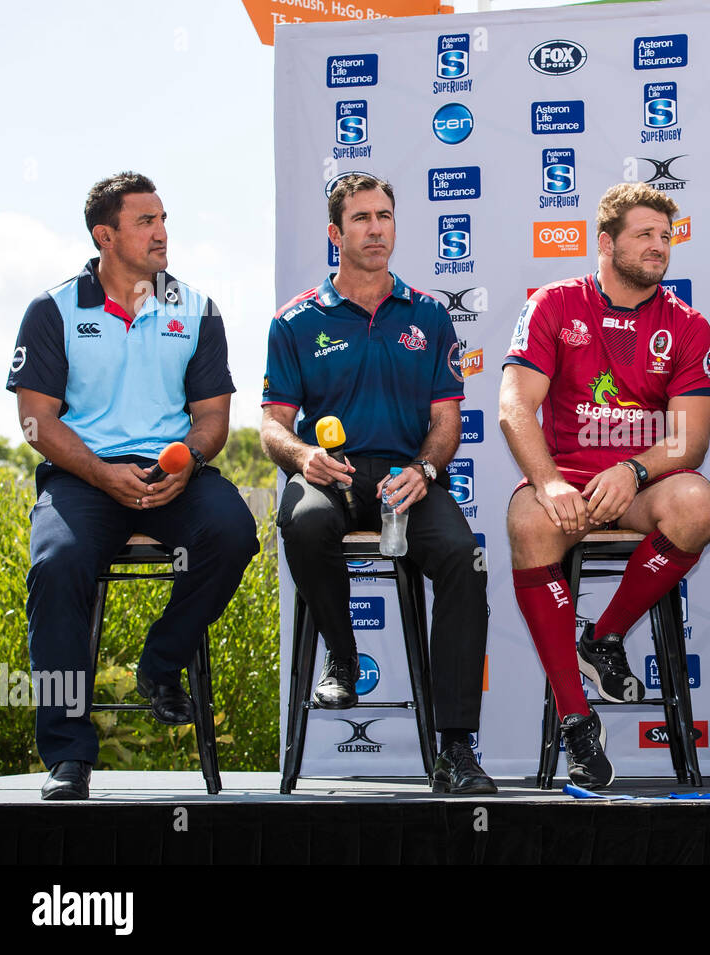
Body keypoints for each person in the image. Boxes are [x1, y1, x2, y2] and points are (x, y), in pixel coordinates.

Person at [7, 172, 259, 801]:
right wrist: (99, 472)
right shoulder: (53, 309)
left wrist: (184, 463)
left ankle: (161, 662)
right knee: (57, 562)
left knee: (235, 531)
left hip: (173, 471)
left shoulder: (196, 307)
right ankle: (68, 756)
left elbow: (213, 418)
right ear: (105, 235)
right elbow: (36, 418)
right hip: (83, 477)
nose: (162, 233)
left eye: (164, 219)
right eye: (146, 222)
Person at [261, 173, 495, 795]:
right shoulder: (295, 322)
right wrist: (302, 455)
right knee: (305, 521)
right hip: (330, 474)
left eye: (385, 216)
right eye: (362, 218)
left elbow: (446, 419)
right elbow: (272, 425)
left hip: (404, 475)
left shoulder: (429, 315)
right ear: (335, 233)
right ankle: (341, 656)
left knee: (464, 559)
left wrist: (426, 470)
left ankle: (455, 748)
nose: (376, 228)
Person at [500, 182, 710, 789]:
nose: (659, 247)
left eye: (665, 236)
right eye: (644, 235)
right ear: (605, 242)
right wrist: (547, 484)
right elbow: (515, 407)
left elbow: (689, 440)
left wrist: (633, 471)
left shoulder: (686, 324)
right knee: (525, 523)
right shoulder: (553, 304)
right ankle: (576, 719)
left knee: (700, 506)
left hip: (645, 481)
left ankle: (603, 636)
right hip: (568, 477)